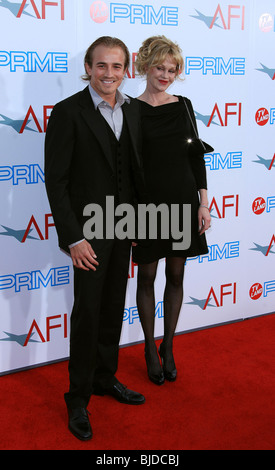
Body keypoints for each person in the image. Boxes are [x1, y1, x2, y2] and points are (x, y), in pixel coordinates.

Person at [45, 36, 146, 442]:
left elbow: (136, 169)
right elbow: (57, 180)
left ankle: (106, 378)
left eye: (116, 66)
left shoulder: (134, 110)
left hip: (123, 229)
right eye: (101, 66)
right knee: (87, 314)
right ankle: (77, 399)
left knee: (111, 308)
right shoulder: (68, 112)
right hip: (87, 234)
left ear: (127, 70)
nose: (109, 74)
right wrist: (73, 238)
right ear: (88, 67)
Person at [132, 36, 212, 386]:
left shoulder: (184, 105)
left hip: (182, 200)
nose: (165, 75)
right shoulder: (129, 108)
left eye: (171, 70)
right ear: (145, 66)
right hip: (146, 205)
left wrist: (204, 201)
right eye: (159, 68)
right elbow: (128, 166)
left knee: (176, 277)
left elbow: (195, 154)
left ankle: (170, 346)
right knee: (147, 277)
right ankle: (150, 348)